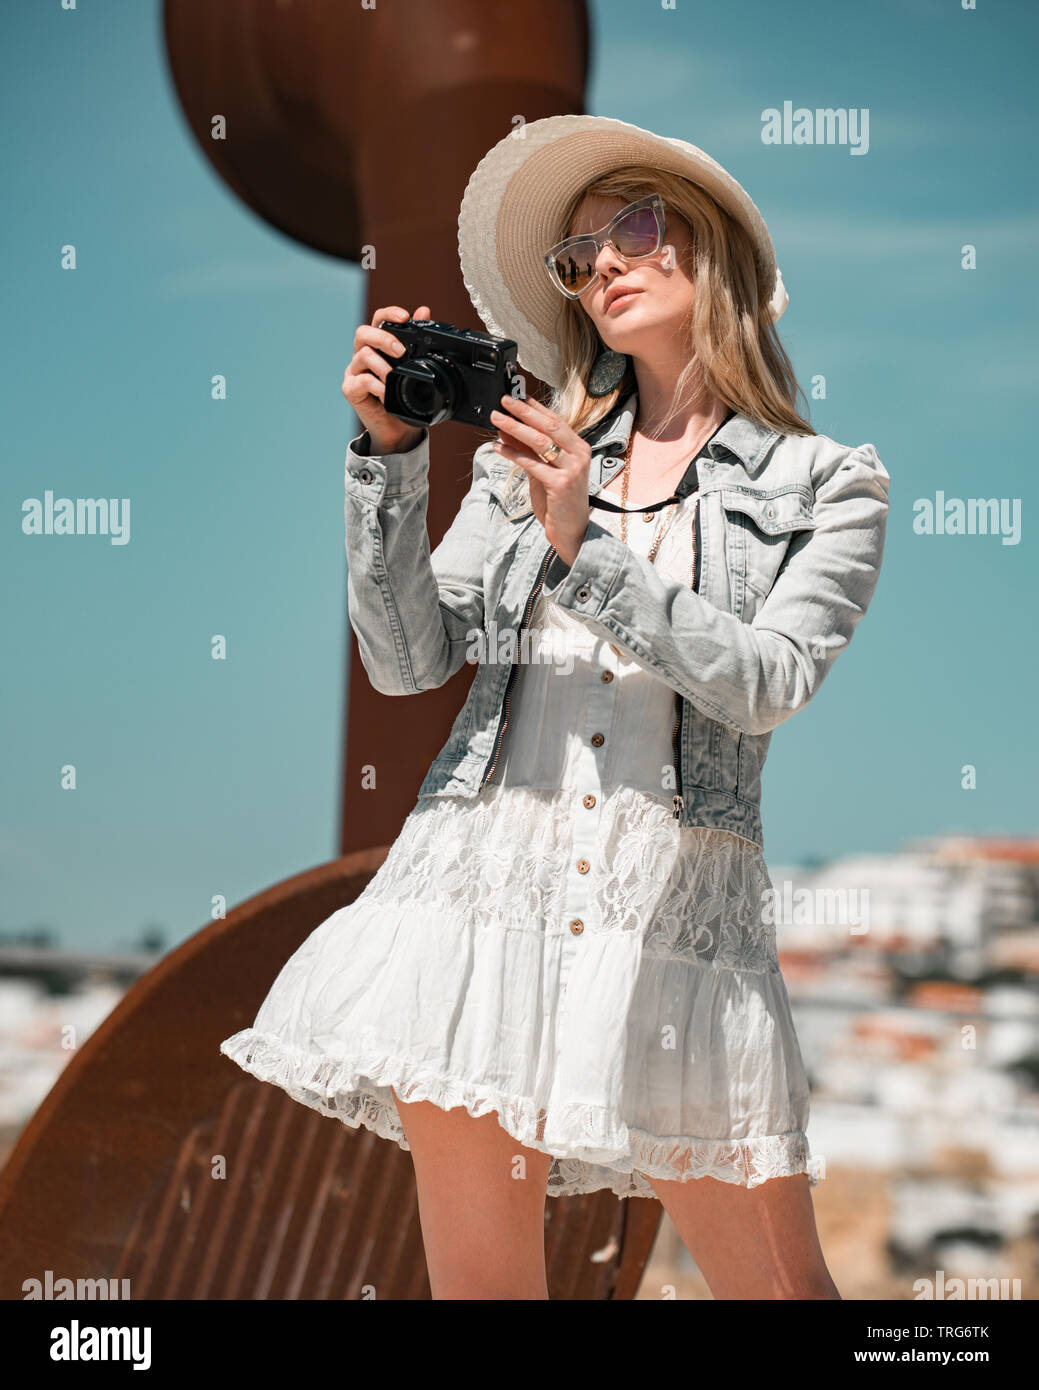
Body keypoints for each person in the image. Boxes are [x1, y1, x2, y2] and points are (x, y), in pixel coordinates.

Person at [220, 114, 890, 1300]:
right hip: (474, 892)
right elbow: (410, 661)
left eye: (636, 227)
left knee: (785, 1293)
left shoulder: (825, 482)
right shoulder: (522, 463)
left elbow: (769, 680)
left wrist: (588, 547)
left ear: (716, 249)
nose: (606, 267)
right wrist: (384, 459)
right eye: (577, 260)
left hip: (675, 915)